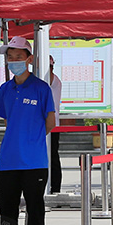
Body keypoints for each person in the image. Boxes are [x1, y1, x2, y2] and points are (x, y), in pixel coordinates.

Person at [0, 36, 56, 225]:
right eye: (10, 57)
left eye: (18, 57)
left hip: (35, 161)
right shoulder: (4, 89)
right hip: (8, 160)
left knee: (35, 210)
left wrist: (31, 139)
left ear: (29, 59)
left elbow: (50, 121)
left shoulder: (41, 88)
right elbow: (8, 120)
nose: (13, 61)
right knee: (7, 211)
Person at [47, 55, 64, 193]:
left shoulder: (53, 79)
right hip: (40, 125)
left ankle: (55, 187)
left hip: (51, 125)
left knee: (52, 157)